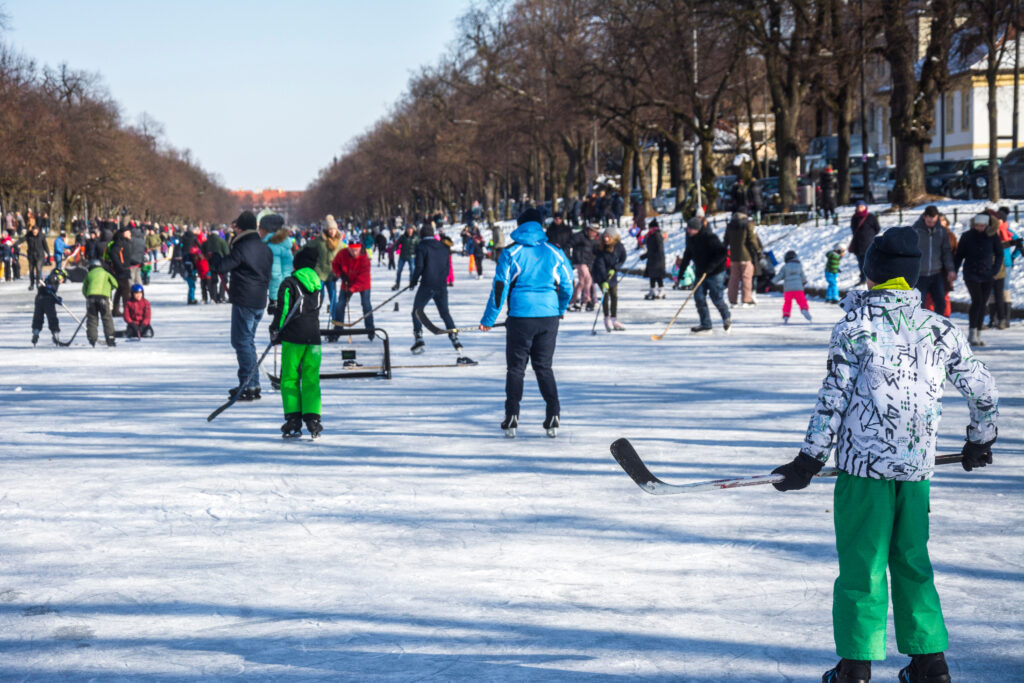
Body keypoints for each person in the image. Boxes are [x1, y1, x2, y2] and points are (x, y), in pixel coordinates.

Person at [771, 225, 998, 683]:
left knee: (863, 566)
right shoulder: (939, 329)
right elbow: (983, 390)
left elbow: (832, 400)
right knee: (913, 563)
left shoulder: (855, 327)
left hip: (864, 475)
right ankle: (930, 664)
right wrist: (980, 438)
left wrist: (809, 460)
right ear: (912, 276)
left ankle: (855, 668)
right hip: (915, 473)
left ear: (871, 271)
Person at [479, 208, 573, 438]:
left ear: (519, 226)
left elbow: (500, 289)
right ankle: (553, 413)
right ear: (541, 225)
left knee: (516, 369)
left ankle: (512, 416)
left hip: (521, 318)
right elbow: (568, 285)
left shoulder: (511, 252)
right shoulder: (555, 251)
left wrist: (489, 319)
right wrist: (560, 309)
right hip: (548, 317)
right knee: (544, 367)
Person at [211, 211, 273, 402]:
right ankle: (252, 383)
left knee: (241, 342)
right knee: (248, 341)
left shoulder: (242, 247)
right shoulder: (265, 248)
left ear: (242, 228)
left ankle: (248, 384)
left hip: (245, 299)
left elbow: (222, 266)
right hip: (259, 299)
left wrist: (215, 257)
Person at [269, 246, 323, 439]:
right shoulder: (317, 284)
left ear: (297, 265)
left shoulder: (289, 283)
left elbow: (283, 311)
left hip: (294, 337)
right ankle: (313, 418)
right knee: (311, 378)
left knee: (290, 377)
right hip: (314, 338)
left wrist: (275, 329)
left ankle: (293, 419)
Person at [409, 224, 463, 355]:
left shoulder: (421, 246)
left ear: (421, 234)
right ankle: (454, 337)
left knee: (416, 311)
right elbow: (447, 266)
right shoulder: (443, 246)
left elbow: (419, 266)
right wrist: (442, 279)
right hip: (441, 285)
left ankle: (419, 338)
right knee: (445, 313)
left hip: (427, 285)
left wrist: (414, 281)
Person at [954, 214, 1003, 347]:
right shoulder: (967, 236)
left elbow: (999, 254)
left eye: (982, 226)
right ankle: (972, 333)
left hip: (987, 275)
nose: (979, 228)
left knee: (982, 303)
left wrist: (994, 270)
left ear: (986, 225)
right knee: (977, 301)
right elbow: (959, 255)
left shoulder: (993, 236)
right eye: (977, 225)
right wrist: (954, 271)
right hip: (971, 274)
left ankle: (978, 333)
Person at [678, 215, 731, 334]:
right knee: (699, 298)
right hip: (700, 272)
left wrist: (710, 267)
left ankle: (726, 317)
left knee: (716, 298)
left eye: (690, 229)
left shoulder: (710, 237)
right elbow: (687, 255)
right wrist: (681, 272)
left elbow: (722, 253)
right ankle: (706, 324)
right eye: (688, 228)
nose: (688, 231)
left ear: (697, 228)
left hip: (715, 273)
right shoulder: (690, 239)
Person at [912, 205, 955, 315]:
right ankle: (921, 324)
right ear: (924, 217)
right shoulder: (915, 230)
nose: (931, 224)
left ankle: (938, 324)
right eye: (929, 222)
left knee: (941, 303)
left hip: (936, 274)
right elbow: (909, 252)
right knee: (919, 304)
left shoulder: (941, 231)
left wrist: (950, 269)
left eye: (934, 221)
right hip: (920, 275)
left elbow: (946, 252)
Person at [332, 240, 375, 339]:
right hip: (347, 282)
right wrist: (339, 274)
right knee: (340, 305)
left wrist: (352, 290)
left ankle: (370, 329)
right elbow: (335, 264)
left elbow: (363, 278)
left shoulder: (364, 259)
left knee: (366, 304)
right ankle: (338, 329)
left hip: (363, 284)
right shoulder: (342, 254)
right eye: (352, 250)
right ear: (348, 248)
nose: (354, 252)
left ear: (360, 248)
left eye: (356, 250)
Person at [591, 226, 627, 332]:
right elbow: (600, 265)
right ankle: (606, 318)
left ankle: (614, 319)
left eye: (608, 237)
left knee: (614, 296)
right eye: (604, 237)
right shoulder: (600, 248)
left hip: (612, 273)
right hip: (600, 274)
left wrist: (616, 267)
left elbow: (623, 258)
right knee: (605, 296)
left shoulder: (619, 246)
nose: (606, 239)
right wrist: (604, 281)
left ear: (613, 237)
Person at [724, 210, 761, 307]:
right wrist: (758, 249)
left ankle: (732, 300)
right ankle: (746, 300)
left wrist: (723, 251)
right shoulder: (747, 224)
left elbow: (725, 240)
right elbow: (752, 239)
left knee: (733, 279)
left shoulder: (730, 226)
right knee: (746, 278)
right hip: (745, 256)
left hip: (733, 257)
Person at [311, 216, 343, 321]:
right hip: (319, 275)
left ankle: (335, 320)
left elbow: (346, 255)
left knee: (333, 298)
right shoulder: (320, 241)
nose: (332, 231)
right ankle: (313, 319)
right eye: (330, 229)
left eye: (334, 229)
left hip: (332, 275)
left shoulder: (340, 243)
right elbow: (308, 252)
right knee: (319, 298)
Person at [259, 214, 293, 314]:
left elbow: (275, 274)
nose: (259, 231)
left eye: (260, 228)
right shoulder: (283, 243)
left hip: (279, 292)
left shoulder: (272, 246)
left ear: (267, 230)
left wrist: (273, 299)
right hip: (287, 288)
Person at [82, 259, 118, 347]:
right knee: (106, 318)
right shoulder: (106, 273)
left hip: (91, 298)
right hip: (103, 298)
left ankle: (92, 338)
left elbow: (84, 289)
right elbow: (115, 284)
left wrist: (88, 296)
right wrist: (107, 289)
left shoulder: (89, 274)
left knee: (92, 318)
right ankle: (110, 338)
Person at [772, 250, 811, 323]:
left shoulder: (785, 267)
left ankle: (786, 315)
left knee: (787, 302)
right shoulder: (799, 266)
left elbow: (779, 276)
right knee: (802, 300)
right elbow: (803, 276)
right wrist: (804, 282)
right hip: (798, 288)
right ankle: (804, 309)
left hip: (788, 289)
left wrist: (772, 282)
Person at [32, 267, 67, 346]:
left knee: (38, 318)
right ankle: (55, 334)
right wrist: (55, 298)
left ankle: (35, 333)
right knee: (52, 318)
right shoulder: (54, 278)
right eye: (63, 279)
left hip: (39, 299)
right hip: (47, 301)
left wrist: (56, 298)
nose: (62, 281)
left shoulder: (49, 278)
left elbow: (50, 291)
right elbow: (49, 290)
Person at [570, 224, 600, 309]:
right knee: (588, 279)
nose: (594, 233)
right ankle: (587, 299)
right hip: (580, 261)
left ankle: (574, 300)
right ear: (589, 230)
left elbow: (595, 250)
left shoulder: (594, 239)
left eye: (595, 232)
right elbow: (569, 243)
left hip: (587, 262)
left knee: (582, 282)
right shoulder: (580, 236)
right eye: (592, 231)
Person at [15, 225, 50, 290]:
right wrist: (16, 243)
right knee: (31, 271)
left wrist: (48, 253)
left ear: (38, 231)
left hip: (40, 255)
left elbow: (45, 245)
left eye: (36, 232)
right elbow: (22, 239)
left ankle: (38, 283)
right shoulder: (29, 235)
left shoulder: (41, 236)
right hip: (31, 256)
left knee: (38, 269)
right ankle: (32, 284)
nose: (34, 233)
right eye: (33, 232)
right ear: (32, 231)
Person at [639, 219, 666, 300]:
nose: (648, 229)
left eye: (649, 227)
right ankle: (652, 291)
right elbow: (651, 249)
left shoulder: (657, 235)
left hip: (658, 260)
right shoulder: (651, 235)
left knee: (658, 276)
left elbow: (659, 248)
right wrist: (645, 256)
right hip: (652, 259)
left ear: (653, 227)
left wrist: (650, 255)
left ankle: (661, 291)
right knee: (652, 276)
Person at [392, 224, 419, 290]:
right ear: (406, 230)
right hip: (403, 256)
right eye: (408, 229)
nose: (410, 231)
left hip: (412, 256)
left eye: (411, 229)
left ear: (412, 230)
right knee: (399, 270)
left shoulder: (416, 237)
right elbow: (397, 244)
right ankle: (397, 284)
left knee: (412, 270)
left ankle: (411, 284)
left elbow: (419, 246)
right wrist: (394, 248)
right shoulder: (403, 237)